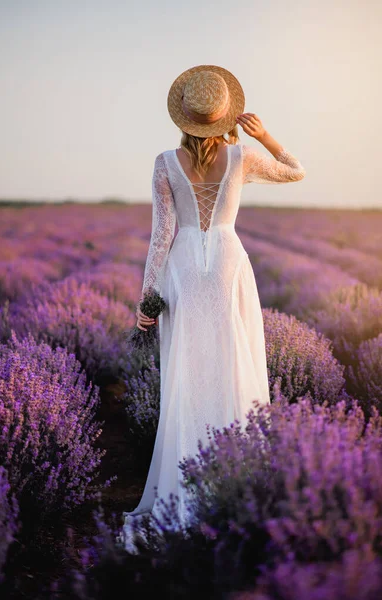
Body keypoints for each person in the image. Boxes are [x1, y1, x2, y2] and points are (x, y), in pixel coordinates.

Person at [122, 64, 305, 549]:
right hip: (227, 265)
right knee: (232, 365)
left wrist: (146, 300)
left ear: (183, 118)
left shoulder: (164, 162)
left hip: (183, 268)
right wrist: (266, 135)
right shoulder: (243, 157)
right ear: (224, 117)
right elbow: (296, 171)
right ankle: (235, 478)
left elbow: (161, 235)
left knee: (186, 370)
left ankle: (187, 479)